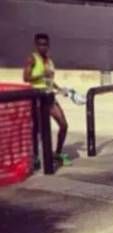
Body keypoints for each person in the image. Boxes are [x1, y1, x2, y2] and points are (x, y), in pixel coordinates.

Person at [23, 33, 71, 166]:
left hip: (49, 97)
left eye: (45, 44)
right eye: (40, 44)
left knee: (63, 125)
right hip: (38, 97)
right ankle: (35, 157)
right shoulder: (32, 59)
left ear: (48, 45)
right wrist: (41, 73)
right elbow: (26, 78)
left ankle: (58, 154)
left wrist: (60, 89)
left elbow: (49, 80)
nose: (42, 47)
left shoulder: (49, 61)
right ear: (36, 45)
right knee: (37, 130)